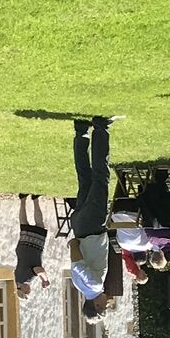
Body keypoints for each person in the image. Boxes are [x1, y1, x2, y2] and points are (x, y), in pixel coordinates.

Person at [68, 117, 115, 314]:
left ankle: (100, 128)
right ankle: (81, 132)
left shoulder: (94, 287)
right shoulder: (82, 288)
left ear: (96, 305)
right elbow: (76, 269)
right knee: (85, 178)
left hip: (91, 228)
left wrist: (74, 246)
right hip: (81, 226)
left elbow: (78, 266)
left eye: (105, 307)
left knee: (100, 178)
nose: (108, 303)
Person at [13, 196, 51, 297]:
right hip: (22, 249)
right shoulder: (17, 278)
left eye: (27, 292)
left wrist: (45, 280)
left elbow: (39, 270)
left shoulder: (26, 279)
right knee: (24, 224)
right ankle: (22, 200)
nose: (29, 291)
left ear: (22, 289)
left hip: (33, 248)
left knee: (40, 225)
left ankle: (35, 200)